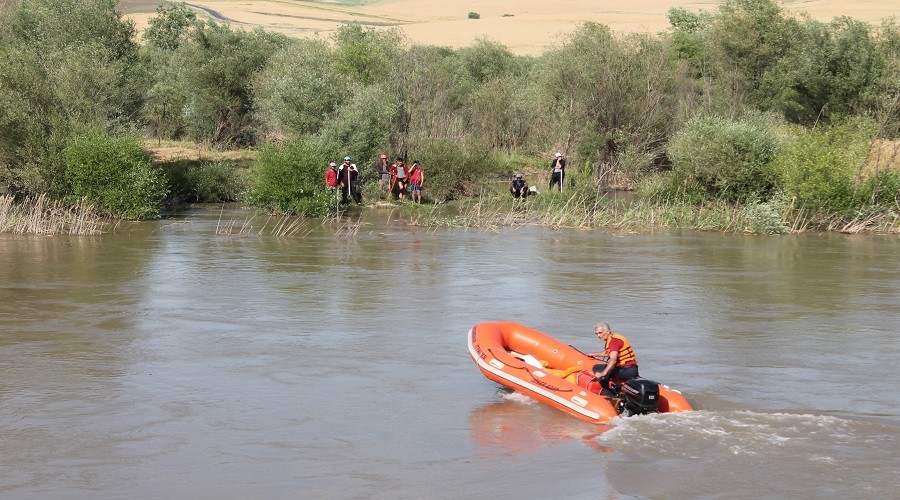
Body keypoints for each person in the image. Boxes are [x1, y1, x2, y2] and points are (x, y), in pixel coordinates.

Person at [588, 322, 639, 397]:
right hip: (631, 369)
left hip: (627, 371)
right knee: (598, 367)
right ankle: (615, 389)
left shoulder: (614, 342)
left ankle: (610, 395)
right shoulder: (613, 338)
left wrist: (603, 373)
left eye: (600, 333)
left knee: (601, 372)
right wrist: (594, 354)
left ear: (608, 331)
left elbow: (613, 359)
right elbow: (607, 353)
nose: (598, 335)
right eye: (597, 334)